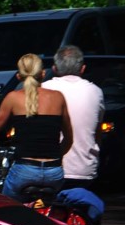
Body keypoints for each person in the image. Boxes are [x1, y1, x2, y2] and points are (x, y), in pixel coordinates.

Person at [0, 53, 73, 202]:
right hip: (54, 172)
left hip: (25, 170)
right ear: (43, 74)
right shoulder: (58, 97)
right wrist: (53, 159)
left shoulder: (12, 98)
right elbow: (69, 139)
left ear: (19, 76)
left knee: (6, 209)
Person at [42, 44, 104, 188]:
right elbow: (97, 131)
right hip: (84, 168)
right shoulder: (95, 91)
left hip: (49, 167)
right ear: (82, 69)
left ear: (54, 69)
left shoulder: (43, 89)